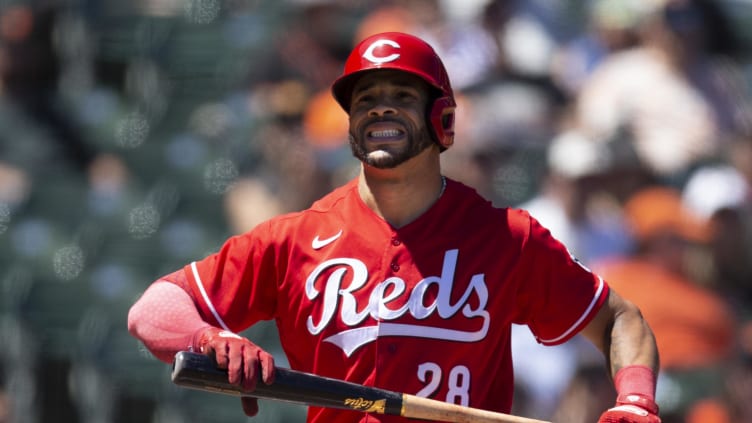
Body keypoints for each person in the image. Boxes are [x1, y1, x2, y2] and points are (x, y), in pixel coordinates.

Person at [128, 32, 661, 423]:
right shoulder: (293, 239)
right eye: (366, 99)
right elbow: (153, 309)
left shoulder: (507, 238)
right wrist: (210, 337)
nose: (381, 108)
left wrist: (634, 399)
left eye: (403, 97)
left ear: (442, 120)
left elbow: (619, 320)